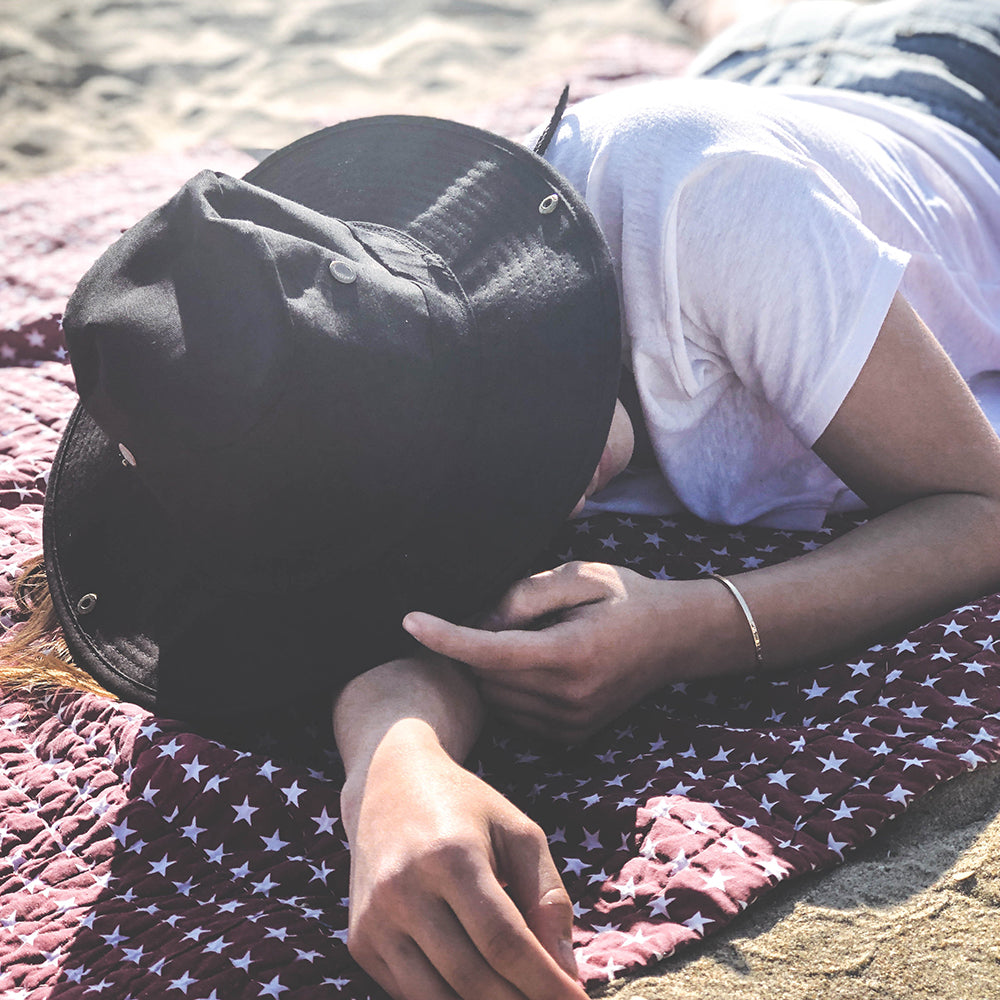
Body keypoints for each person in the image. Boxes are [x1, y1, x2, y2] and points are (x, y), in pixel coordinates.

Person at [5, 1, 1000, 998]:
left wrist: (690, 628)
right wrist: (393, 771)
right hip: (768, 89)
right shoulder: (303, 391)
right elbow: (387, 625)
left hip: (953, 87)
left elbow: (978, 506)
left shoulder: (716, 205)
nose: (499, 534)